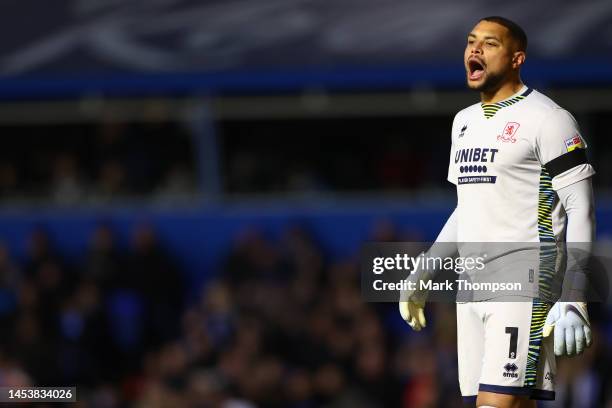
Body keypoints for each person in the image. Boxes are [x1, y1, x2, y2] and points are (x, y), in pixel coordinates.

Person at [399, 16, 596, 408]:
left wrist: (575, 296)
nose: (475, 50)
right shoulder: (464, 123)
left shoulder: (550, 119)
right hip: (471, 287)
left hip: (524, 283)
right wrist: (425, 269)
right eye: (471, 42)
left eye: (489, 44)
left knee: (495, 404)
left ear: (517, 58)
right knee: (510, 402)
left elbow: (582, 210)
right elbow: (466, 210)